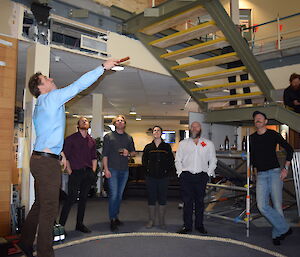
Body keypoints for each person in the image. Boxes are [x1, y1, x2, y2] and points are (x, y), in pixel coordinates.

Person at [17, 59, 117, 257]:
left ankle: (26, 242)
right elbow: (78, 85)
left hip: (39, 159)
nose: (51, 78)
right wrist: (102, 68)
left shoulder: (42, 104)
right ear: (40, 87)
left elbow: (48, 132)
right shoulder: (51, 98)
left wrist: (60, 152)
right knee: (49, 209)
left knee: (40, 204)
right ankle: (45, 253)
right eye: (46, 78)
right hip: (46, 163)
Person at [250, 111, 294, 245]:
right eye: (255, 118)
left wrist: (286, 168)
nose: (257, 120)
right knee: (262, 206)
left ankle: (277, 234)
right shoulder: (251, 138)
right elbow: (252, 157)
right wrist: (253, 171)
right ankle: (284, 228)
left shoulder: (273, 134)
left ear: (265, 121)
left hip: (275, 173)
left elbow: (289, 149)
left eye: (260, 118)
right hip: (261, 175)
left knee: (277, 205)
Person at [175, 121, 217, 234]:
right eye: (192, 127)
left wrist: (208, 173)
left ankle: (199, 225)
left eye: (196, 126)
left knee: (200, 202)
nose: (194, 128)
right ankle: (187, 226)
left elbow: (213, 160)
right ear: (190, 129)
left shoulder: (208, 143)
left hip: (201, 176)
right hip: (186, 176)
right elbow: (178, 159)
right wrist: (180, 173)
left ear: (200, 128)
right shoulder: (183, 143)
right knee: (187, 202)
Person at [59, 117, 97, 233]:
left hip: (87, 172)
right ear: (78, 125)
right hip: (75, 172)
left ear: (89, 125)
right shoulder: (71, 139)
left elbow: (94, 158)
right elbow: (65, 156)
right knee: (71, 198)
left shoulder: (92, 141)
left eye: (86, 121)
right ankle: (61, 226)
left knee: (83, 199)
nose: (84, 122)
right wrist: (70, 171)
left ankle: (79, 224)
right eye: (82, 121)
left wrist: (93, 172)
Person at [102, 115, 136, 232]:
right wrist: (105, 169)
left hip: (124, 170)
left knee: (119, 196)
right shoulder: (108, 137)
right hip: (112, 169)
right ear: (114, 123)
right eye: (118, 121)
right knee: (114, 195)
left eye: (122, 121)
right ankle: (112, 219)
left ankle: (115, 216)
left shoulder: (129, 137)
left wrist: (129, 153)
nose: (120, 122)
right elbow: (105, 155)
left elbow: (133, 153)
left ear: (125, 123)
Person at [142, 126, 175, 229]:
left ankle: (161, 221)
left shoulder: (167, 147)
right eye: (154, 130)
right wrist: (147, 172)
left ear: (161, 133)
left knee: (162, 198)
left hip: (163, 178)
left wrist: (167, 172)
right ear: (152, 133)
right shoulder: (148, 147)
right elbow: (144, 161)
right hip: (151, 177)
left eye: (158, 130)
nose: (156, 132)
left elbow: (171, 161)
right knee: (151, 198)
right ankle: (151, 220)